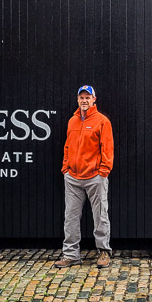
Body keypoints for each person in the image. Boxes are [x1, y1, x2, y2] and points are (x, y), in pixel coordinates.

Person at [54, 85, 114, 268]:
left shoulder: (102, 121)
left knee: (100, 215)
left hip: (95, 177)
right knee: (70, 217)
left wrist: (103, 171)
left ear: (94, 100)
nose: (84, 100)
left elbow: (108, 149)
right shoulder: (72, 121)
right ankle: (71, 255)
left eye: (88, 97)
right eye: (82, 97)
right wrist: (66, 167)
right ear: (77, 100)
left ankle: (104, 252)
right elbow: (67, 146)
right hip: (73, 177)